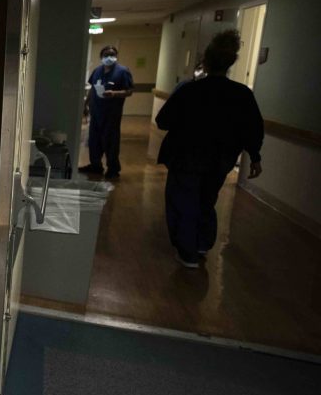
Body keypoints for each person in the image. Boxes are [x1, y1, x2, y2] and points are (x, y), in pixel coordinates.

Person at [156, 29, 264, 268]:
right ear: (230, 63)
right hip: (220, 160)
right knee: (206, 199)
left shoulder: (189, 91)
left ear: (205, 62)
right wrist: (255, 156)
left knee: (183, 201)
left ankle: (187, 253)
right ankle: (202, 243)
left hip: (186, 157)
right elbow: (252, 128)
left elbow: (163, 120)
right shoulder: (241, 94)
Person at [79, 45, 134, 179]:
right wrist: (85, 105)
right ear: (101, 57)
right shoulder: (97, 71)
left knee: (110, 141)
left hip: (111, 114)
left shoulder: (122, 71)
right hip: (96, 112)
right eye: (106, 55)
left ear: (116, 56)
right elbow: (93, 89)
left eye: (112, 55)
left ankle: (113, 169)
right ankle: (96, 165)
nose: (109, 57)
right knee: (94, 141)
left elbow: (129, 91)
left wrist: (114, 93)